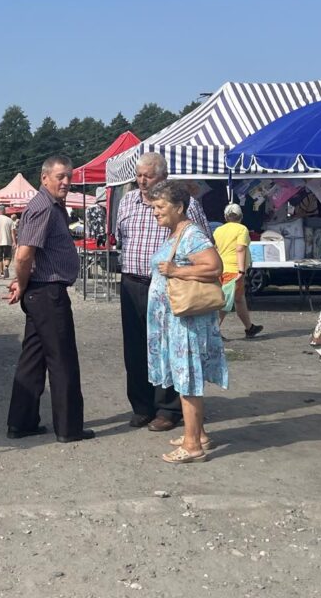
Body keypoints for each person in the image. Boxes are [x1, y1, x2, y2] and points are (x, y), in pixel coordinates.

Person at [115, 152, 210, 432]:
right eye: (139, 175)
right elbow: (121, 238)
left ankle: (168, 408)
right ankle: (141, 405)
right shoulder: (127, 202)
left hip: (167, 286)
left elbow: (204, 240)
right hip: (132, 282)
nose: (142, 181)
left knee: (167, 345)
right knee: (135, 347)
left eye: (149, 176)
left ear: (163, 177)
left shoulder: (184, 206)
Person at [5, 155, 93, 443]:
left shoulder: (52, 207)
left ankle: (22, 422)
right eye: (60, 177)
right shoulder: (42, 207)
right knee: (62, 360)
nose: (66, 182)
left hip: (42, 291)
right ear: (44, 178)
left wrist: (24, 283)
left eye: (68, 176)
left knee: (33, 359)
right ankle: (69, 428)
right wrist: (22, 282)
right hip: (47, 293)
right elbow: (23, 254)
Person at [145, 180, 227, 464]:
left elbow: (215, 267)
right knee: (184, 377)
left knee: (188, 378)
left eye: (160, 207)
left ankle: (192, 445)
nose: (154, 212)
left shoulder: (192, 234)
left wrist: (177, 270)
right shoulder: (178, 233)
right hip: (178, 322)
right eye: (153, 207)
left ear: (179, 207)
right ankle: (199, 433)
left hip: (187, 323)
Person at [213, 203, 262, 339]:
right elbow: (240, 249)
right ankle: (214, 331)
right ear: (241, 216)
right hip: (233, 270)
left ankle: (249, 328)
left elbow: (215, 249)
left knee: (239, 299)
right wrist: (241, 271)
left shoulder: (218, 230)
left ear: (225, 216)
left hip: (221, 269)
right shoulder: (242, 229)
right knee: (225, 302)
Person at [0, 205, 17, 280]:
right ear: (5, 211)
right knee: (8, 257)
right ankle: (6, 267)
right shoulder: (9, 220)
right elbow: (13, 232)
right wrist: (14, 242)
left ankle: (2, 274)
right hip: (7, 241)